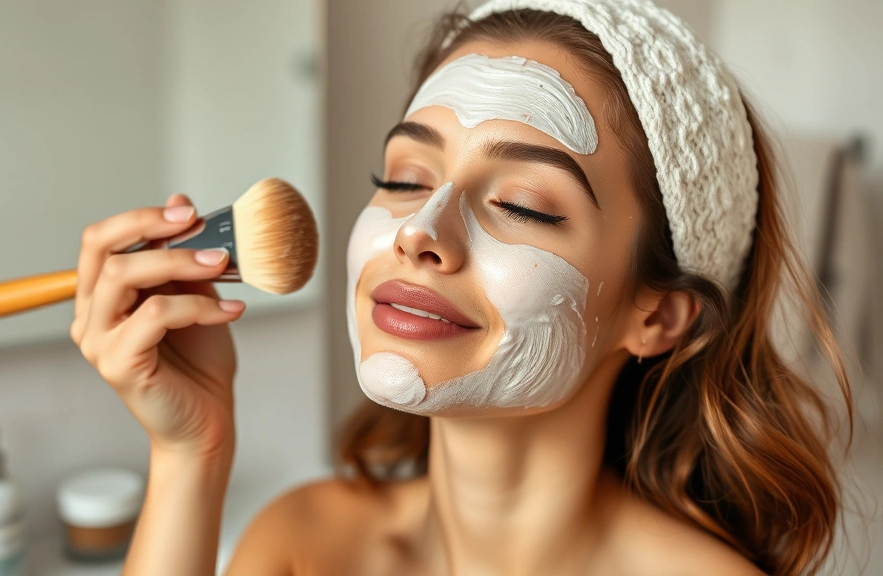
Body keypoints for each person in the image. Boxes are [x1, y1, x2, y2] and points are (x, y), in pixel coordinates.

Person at [70, 1, 851, 574]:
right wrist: (190, 455)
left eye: (523, 205)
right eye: (405, 179)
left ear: (660, 317)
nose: (418, 231)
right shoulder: (304, 545)